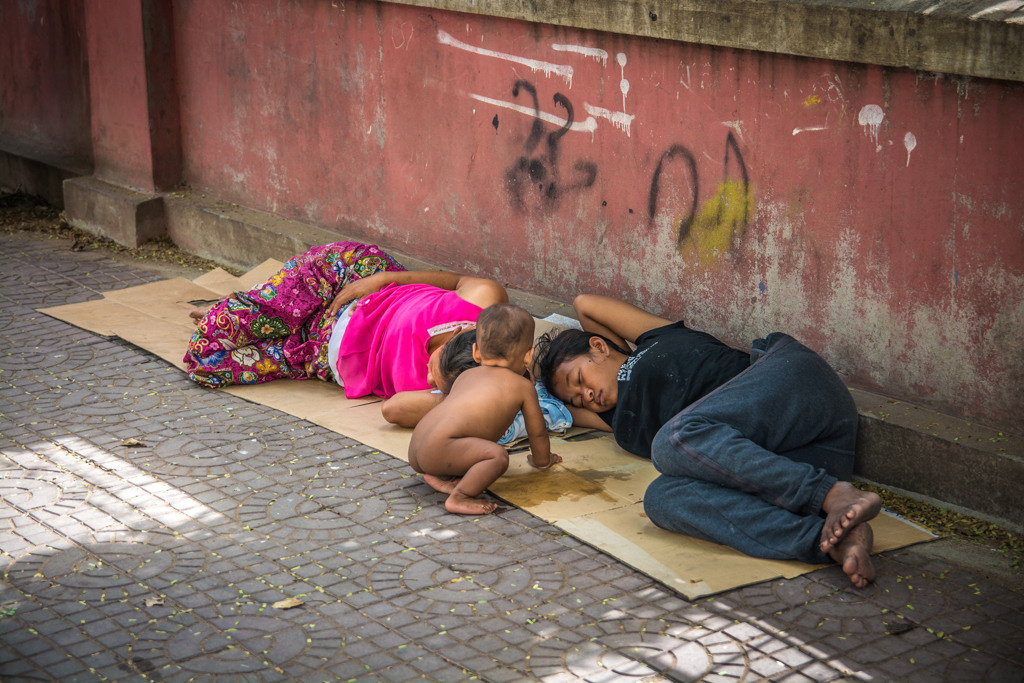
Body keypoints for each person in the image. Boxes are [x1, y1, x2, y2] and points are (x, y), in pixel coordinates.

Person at [534, 294, 882, 588]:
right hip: (795, 459)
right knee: (661, 499)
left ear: (598, 346)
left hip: (792, 388)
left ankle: (834, 495)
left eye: (579, 378)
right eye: (577, 399)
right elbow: (535, 409)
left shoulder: (651, 340)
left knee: (670, 440)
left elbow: (584, 305)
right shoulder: (616, 420)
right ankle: (828, 540)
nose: (587, 394)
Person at [183, 241, 508, 410]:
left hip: (315, 352)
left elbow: (394, 409)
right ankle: (256, 306)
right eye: (432, 370)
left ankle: (249, 312)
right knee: (270, 309)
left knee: (206, 362)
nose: (426, 380)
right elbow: (460, 280)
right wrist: (384, 278)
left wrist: (460, 394)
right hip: (350, 280)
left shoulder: (456, 386)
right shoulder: (484, 300)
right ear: (455, 336)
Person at [408, 304, 561, 514]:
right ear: (528, 356)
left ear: (476, 352)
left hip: (418, 445)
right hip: (439, 451)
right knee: (497, 456)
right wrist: (542, 460)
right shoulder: (523, 387)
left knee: (469, 439)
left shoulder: (465, 376)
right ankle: (460, 497)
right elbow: (538, 431)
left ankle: (442, 476)